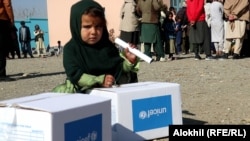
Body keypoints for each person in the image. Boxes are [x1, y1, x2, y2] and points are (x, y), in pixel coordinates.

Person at [52, 0, 139, 93]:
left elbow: (118, 69)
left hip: (110, 90)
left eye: (98, 26)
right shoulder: (71, 49)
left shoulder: (107, 47)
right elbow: (75, 75)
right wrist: (99, 80)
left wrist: (129, 60)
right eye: (87, 27)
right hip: (81, 91)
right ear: (76, 26)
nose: (93, 32)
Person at [0, 0, 15, 80]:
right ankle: (1, 74)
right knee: (1, 47)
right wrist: (11, 19)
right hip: (1, 19)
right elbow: (7, 4)